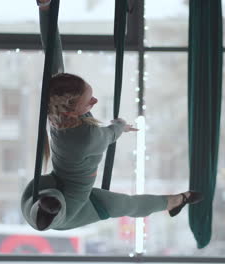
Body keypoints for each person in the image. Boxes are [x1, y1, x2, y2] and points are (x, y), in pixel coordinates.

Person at [21, 0, 203, 232]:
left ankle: (178, 200)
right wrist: (122, 124)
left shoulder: (55, 107)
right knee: (61, 202)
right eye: (89, 100)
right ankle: (49, 209)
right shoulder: (88, 136)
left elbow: (52, 54)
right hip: (74, 204)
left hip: (63, 183)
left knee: (128, 204)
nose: (94, 103)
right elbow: (111, 132)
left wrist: (46, 10)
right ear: (71, 109)